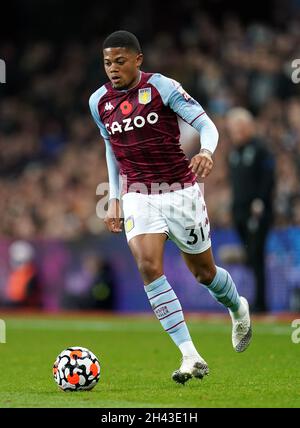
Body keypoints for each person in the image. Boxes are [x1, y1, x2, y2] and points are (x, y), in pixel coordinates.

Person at [89, 30, 252, 384]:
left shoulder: (162, 87)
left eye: (119, 61)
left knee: (204, 274)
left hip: (180, 190)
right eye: (106, 63)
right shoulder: (98, 102)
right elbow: (111, 151)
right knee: (148, 265)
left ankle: (238, 307)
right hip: (138, 194)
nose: (112, 69)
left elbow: (206, 124)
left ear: (138, 60)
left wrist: (206, 151)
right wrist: (115, 198)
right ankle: (189, 355)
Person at [226, 108, 275, 313]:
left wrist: (260, 201)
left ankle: (261, 303)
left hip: (257, 210)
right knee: (250, 255)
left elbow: (269, 178)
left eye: (237, 128)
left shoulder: (260, 150)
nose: (234, 132)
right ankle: (255, 298)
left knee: (256, 254)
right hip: (239, 210)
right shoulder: (233, 153)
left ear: (247, 127)